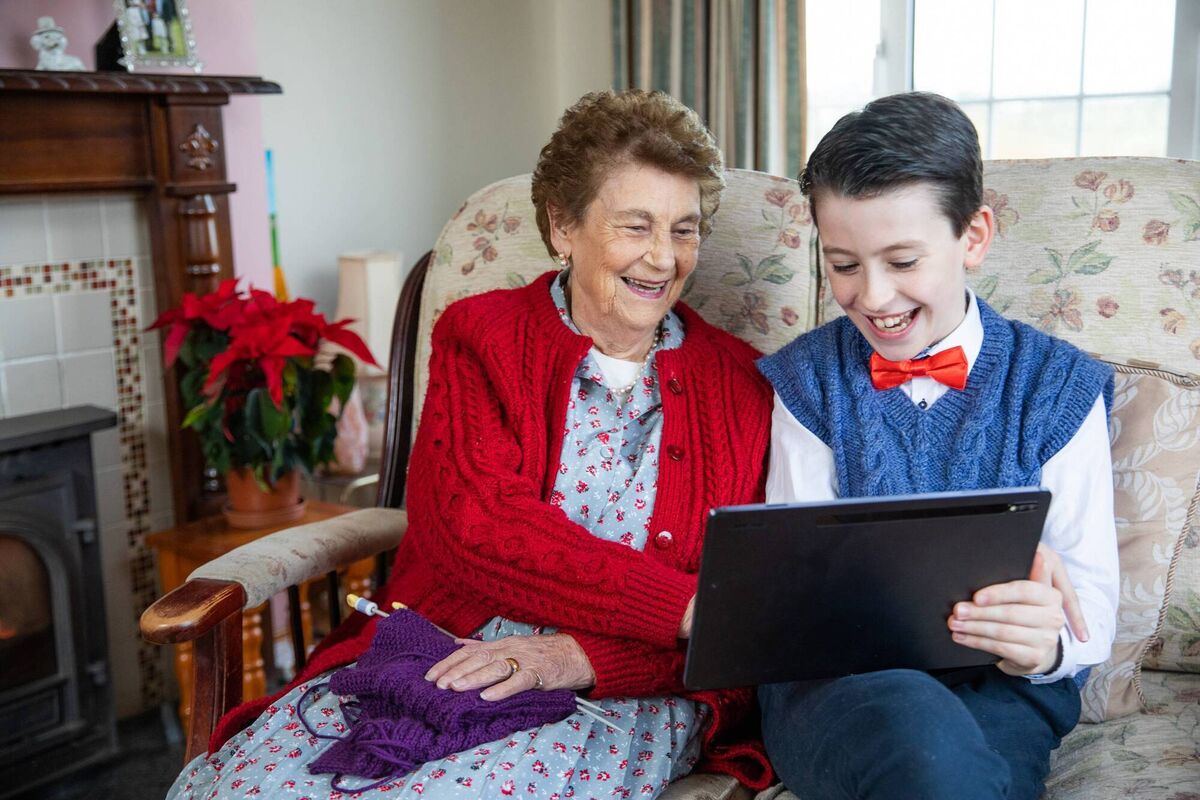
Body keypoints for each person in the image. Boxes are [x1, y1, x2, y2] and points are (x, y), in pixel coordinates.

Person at [166, 89, 774, 799]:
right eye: (635, 226)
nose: (663, 258)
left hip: (615, 693)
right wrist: (679, 607)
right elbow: (476, 527)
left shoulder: (739, 385)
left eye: (684, 229)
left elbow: (736, 618)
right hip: (442, 651)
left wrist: (578, 657)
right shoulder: (480, 336)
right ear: (562, 227)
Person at [755, 92, 1118, 800]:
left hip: (1003, 690)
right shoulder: (806, 381)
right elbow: (795, 589)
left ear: (974, 236)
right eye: (844, 265)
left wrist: (1045, 643)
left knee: (951, 766)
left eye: (901, 260)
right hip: (837, 691)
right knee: (916, 729)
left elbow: (1092, 603)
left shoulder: (1058, 385)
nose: (873, 296)